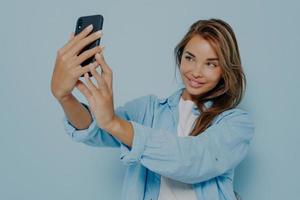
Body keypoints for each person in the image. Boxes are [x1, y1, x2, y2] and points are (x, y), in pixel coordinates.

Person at [51, 18, 254, 200]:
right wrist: (65, 97)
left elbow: (192, 160)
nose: (196, 72)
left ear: (226, 70)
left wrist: (113, 123)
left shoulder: (236, 123)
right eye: (189, 58)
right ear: (180, 56)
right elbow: (97, 131)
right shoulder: (148, 109)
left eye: (211, 64)